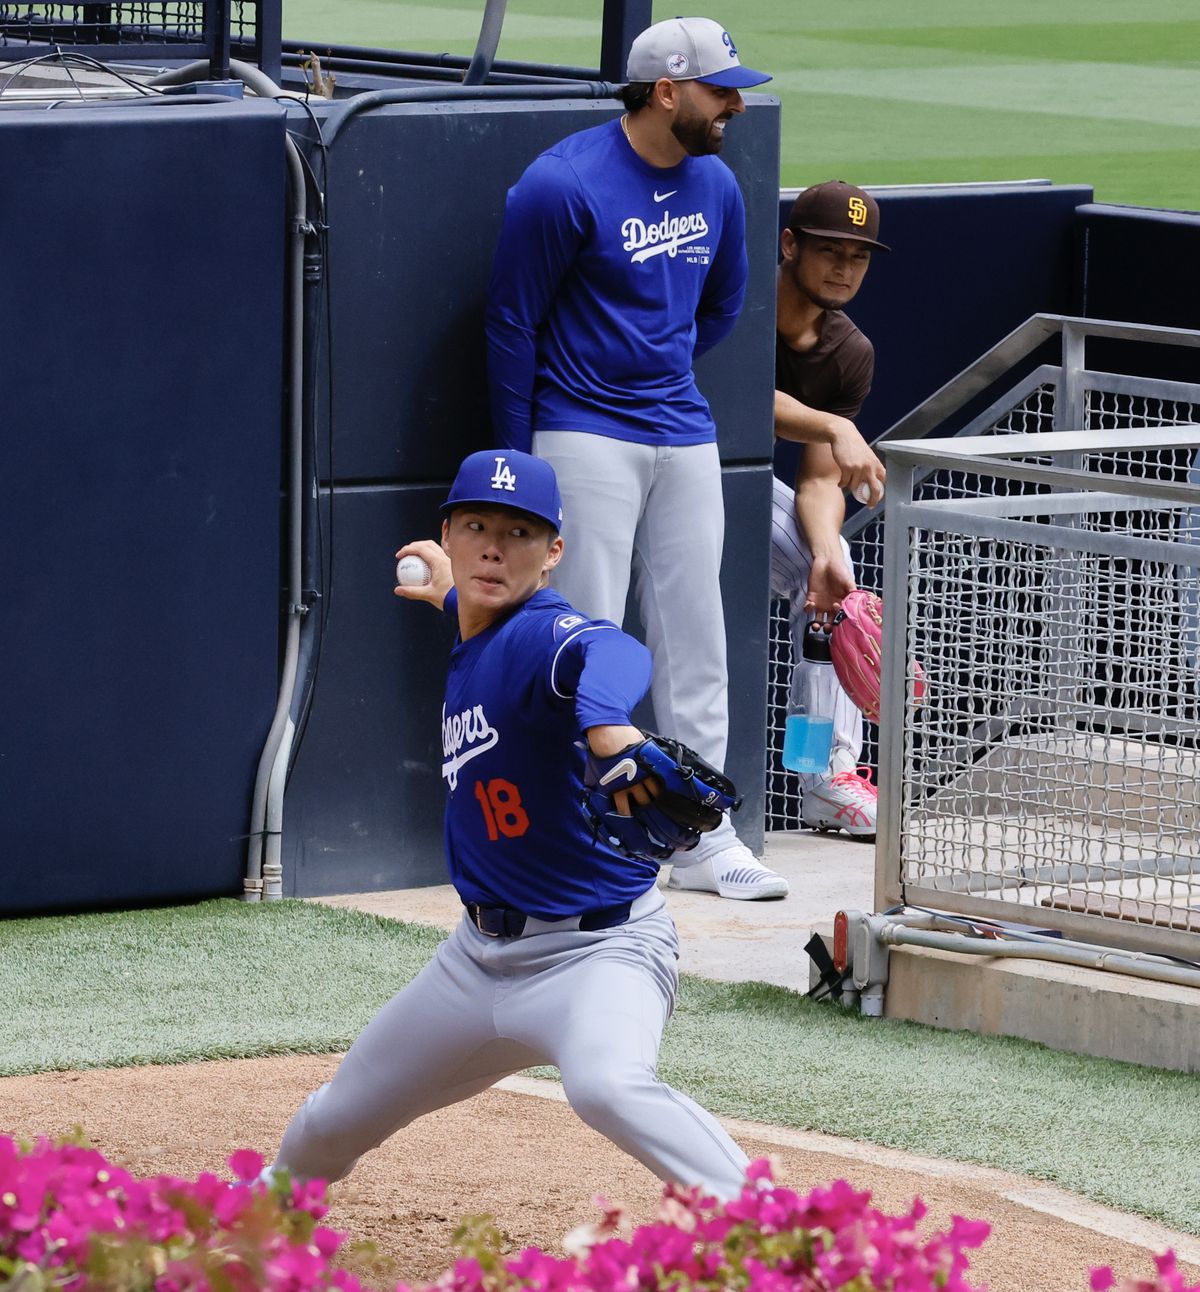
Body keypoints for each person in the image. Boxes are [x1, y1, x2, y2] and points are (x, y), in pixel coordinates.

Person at [263, 449, 751, 1202]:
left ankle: (787, 1236)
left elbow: (608, 647)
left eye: (520, 533)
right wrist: (449, 588)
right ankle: (261, 1225)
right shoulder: (477, 613)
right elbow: (476, 599)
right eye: (477, 525)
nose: (496, 546)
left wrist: (604, 724)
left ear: (554, 554)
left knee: (606, 1086)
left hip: (599, 952)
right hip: (474, 962)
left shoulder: (540, 633)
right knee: (333, 1120)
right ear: (450, 533)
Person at [486, 16, 789, 902]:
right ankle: (577, 830)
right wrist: (520, 465)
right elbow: (511, 323)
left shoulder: (720, 185)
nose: (735, 102)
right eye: (720, 88)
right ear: (666, 91)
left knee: (698, 630)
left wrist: (649, 374)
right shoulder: (562, 182)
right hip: (580, 432)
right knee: (584, 637)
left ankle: (702, 835)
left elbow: (721, 307)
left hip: (681, 430)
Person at [769, 180, 889, 838]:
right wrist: (833, 427)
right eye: (830, 251)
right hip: (660, 460)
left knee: (832, 584)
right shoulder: (741, 297)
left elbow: (819, 480)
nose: (845, 268)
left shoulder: (850, 353)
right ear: (790, 245)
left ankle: (824, 776)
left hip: (741, 488)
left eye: (859, 256)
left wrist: (820, 556)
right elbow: (725, 401)